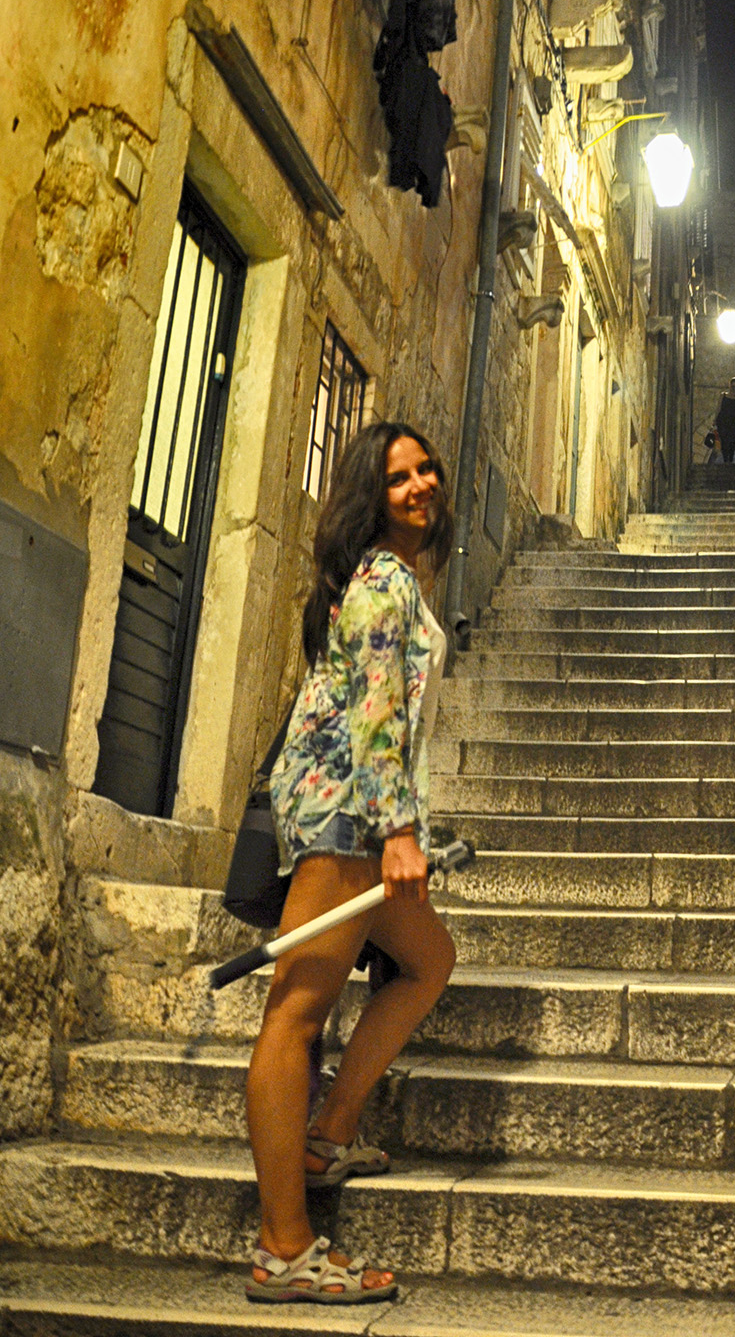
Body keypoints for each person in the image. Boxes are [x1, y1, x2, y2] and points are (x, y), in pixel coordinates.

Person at [243, 421, 457, 1304]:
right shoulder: (382, 580)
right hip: (346, 816)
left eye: (426, 469)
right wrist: (398, 830)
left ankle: (330, 1129)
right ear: (373, 494)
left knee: (429, 961)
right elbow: (375, 712)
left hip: (358, 815)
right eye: (399, 477)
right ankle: (284, 1247)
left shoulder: (391, 579)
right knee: (295, 1015)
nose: (420, 485)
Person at [713, 377, 735, 463]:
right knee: (724, 441)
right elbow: (718, 408)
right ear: (730, 386)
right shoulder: (723, 395)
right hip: (722, 421)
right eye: (733, 387)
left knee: (732, 441)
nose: (734, 389)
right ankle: (726, 460)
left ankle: (731, 460)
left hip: (732, 421)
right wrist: (715, 419)